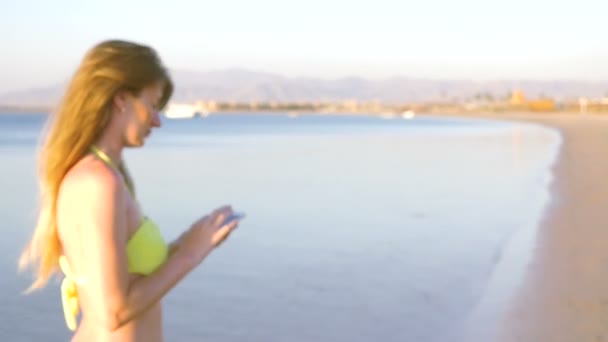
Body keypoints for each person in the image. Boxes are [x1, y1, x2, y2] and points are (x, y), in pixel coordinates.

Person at [18, 39, 240, 342]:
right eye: (152, 104)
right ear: (121, 98)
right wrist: (190, 254)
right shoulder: (99, 182)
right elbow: (113, 312)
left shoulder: (106, 175)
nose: (158, 120)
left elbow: (132, 277)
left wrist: (191, 240)